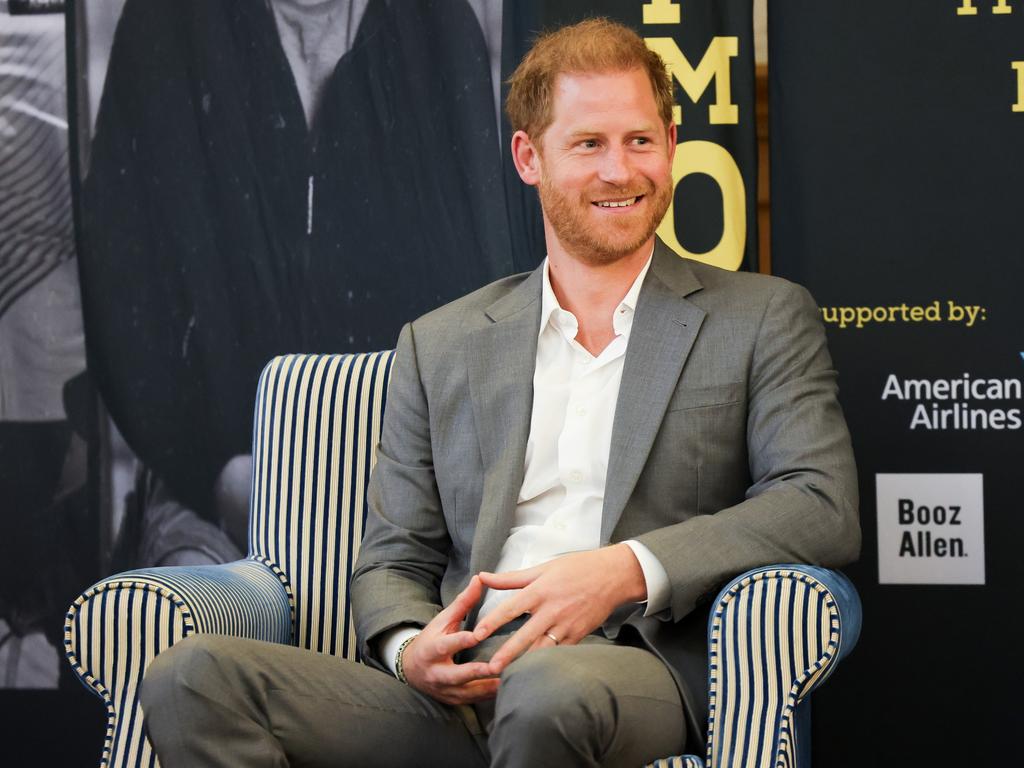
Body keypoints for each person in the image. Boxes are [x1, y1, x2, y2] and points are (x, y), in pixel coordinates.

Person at [140, 18, 859, 768]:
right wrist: (410, 648)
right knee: (192, 680)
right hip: (458, 686)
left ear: (672, 146)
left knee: (547, 688)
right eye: (589, 144)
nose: (621, 170)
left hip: (626, 670)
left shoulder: (761, 316)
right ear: (529, 157)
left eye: (640, 140)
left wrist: (622, 570)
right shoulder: (440, 342)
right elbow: (394, 555)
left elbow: (820, 503)